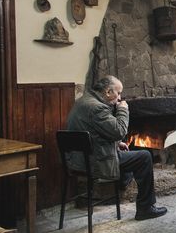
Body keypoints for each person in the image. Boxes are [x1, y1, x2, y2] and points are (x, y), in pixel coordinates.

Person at [66, 75, 167, 220]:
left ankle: (123, 179)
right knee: (144, 156)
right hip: (94, 162)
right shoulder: (97, 108)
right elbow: (120, 131)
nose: (119, 98)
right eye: (118, 93)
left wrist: (115, 143)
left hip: (78, 160)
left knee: (129, 152)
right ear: (108, 92)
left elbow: (92, 134)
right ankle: (146, 208)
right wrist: (123, 110)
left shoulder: (83, 101)